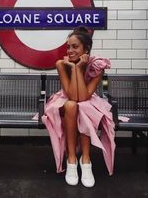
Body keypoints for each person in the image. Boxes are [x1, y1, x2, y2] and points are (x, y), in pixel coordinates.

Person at [42, 26, 115, 187]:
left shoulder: (97, 65)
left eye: (75, 47)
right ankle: (72, 160)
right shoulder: (61, 64)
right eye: (68, 47)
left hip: (87, 100)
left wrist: (79, 67)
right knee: (71, 105)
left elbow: (83, 96)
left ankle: (86, 160)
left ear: (86, 49)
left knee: (82, 107)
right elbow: (71, 94)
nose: (70, 51)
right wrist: (75, 68)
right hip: (64, 100)